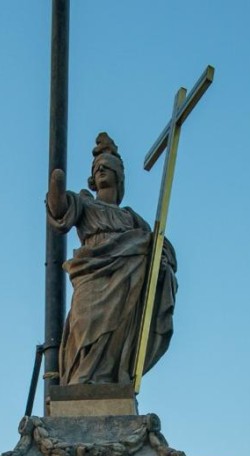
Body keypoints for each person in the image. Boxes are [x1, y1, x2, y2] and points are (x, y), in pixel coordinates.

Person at [46, 132, 177, 385]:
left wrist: (161, 262)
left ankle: (106, 380)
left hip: (127, 279)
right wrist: (56, 186)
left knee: (116, 334)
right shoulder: (85, 203)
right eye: (97, 168)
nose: (102, 170)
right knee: (84, 323)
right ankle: (79, 380)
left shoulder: (130, 218)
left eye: (107, 167)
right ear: (92, 178)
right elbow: (60, 211)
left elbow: (160, 246)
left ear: (118, 175)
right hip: (91, 274)